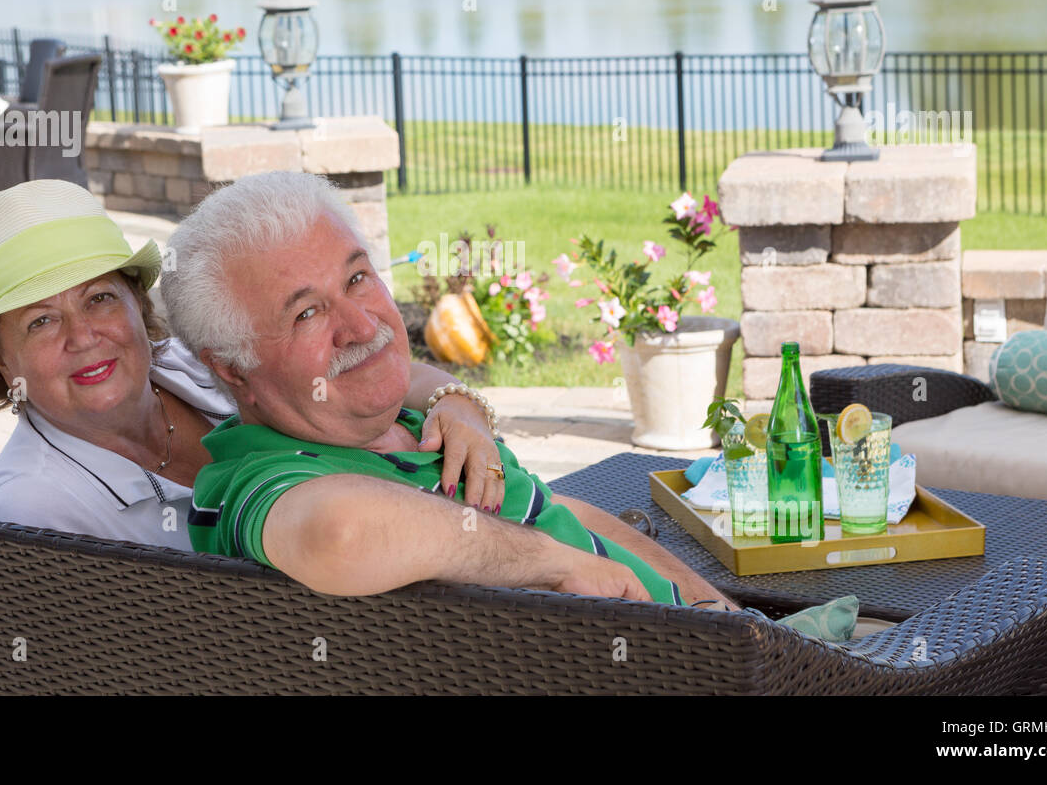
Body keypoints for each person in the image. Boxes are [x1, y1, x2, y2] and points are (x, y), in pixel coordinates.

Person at [162, 171, 738, 608]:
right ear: (234, 368)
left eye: (358, 278)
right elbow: (342, 533)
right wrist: (550, 564)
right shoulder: (260, 479)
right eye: (308, 314)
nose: (365, 327)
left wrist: (727, 617)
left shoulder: (402, 429)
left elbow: (561, 510)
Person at [0, 180, 505, 549]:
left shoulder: (191, 365)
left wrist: (457, 405)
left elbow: (365, 363)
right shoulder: (28, 507)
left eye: (99, 298)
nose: (84, 337)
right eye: (41, 321)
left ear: (137, 304)